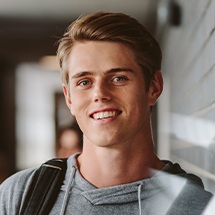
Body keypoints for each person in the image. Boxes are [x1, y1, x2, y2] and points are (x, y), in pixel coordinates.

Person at [0, 12, 213, 215]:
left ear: (154, 87)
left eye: (118, 78)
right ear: (69, 98)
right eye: (84, 82)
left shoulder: (197, 207)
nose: (99, 94)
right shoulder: (19, 195)